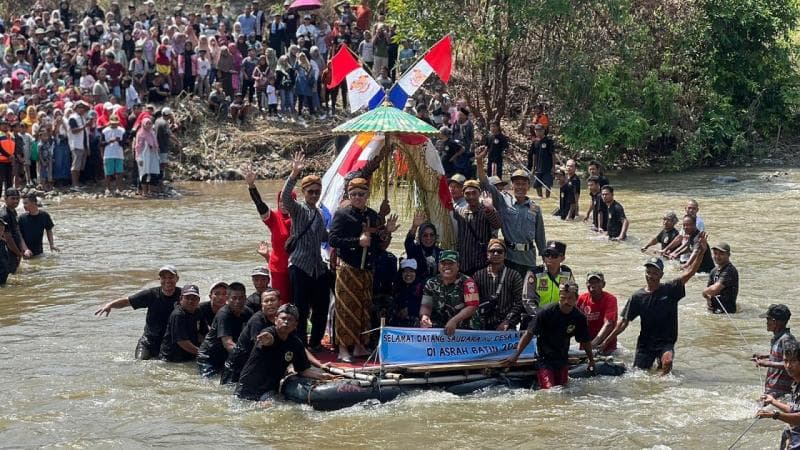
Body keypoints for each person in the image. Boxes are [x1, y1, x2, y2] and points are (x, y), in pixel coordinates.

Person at [599, 244, 707, 375]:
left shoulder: (670, 289)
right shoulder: (637, 297)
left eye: (655, 273)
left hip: (666, 342)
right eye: (648, 272)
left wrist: (701, 252)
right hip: (645, 344)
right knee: (638, 374)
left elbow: (690, 272)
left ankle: (663, 387)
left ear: (661, 275)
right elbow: (623, 323)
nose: (650, 276)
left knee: (667, 363)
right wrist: (606, 342)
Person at [502, 281, 594, 389]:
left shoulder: (579, 317)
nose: (566, 301)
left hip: (562, 359)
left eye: (570, 298)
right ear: (559, 296)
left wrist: (591, 360)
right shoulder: (545, 313)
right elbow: (529, 334)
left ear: (576, 298)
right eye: (563, 298)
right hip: (544, 359)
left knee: (563, 389)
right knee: (550, 391)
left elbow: (585, 340)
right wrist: (516, 355)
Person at [328, 177, 381, 362]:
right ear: (349, 196)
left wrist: (385, 232)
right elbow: (332, 240)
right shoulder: (342, 214)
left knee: (363, 309)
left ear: (367, 195)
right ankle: (343, 348)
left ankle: (360, 345)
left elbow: (377, 241)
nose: (357, 197)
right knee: (345, 310)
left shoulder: (372, 215)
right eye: (354, 194)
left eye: (361, 194)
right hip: (348, 268)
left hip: (366, 269)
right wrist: (357, 242)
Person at [235, 304, 334, 402]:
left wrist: (322, 376)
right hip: (248, 388)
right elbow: (269, 338)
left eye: (290, 320)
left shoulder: (296, 344)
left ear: (296, 324)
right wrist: (267, 339)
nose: (286, 322)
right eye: (283, 318)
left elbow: (303, 371)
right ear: (276, 320)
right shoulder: (269, 332)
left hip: (269, 390)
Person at [281, 151, 330, 349]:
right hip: (300, 266)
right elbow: (285, 198)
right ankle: (300, 343)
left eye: (317, 192)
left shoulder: (319, 213)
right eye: (310, 192)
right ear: (304, 193)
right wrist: (294, 174)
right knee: (300, 309)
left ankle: (316, 342)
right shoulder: (299, 210)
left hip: (318, 267)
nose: (314, 195)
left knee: (321, 307)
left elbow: (325, 238)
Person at [477, 147, 546, 278]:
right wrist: (479, 161)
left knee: (527, 294)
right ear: (511, 185)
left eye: (523, 184)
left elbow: (540, 236)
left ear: (528, 186)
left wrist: (544, 257)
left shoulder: (535, 208)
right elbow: (485, 183)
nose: (520, 187)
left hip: (529, 258)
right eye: (517, 184)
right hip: (509, 257)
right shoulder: (503, 201)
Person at [95, 265, 182, 360]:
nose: (167, 281)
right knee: (140, 365)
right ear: (159, 279)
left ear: (177, 279)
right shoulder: (151, 294)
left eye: (170, 277)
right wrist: (110, 305)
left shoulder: (183, 296)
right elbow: (127, 301)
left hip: (170, 343)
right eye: (164, 278)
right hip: (148, 342)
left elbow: (194, 313)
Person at [244, 166, 292, 303]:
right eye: (281, 200)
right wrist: (252, 186)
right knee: (281, 301)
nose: (284, 204)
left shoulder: (300, 218)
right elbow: (260, 204)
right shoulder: (274, 218)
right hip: (278, 269)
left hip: (297, 266)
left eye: (288, 200)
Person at [222, 288, 281, 385]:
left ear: (279, 302)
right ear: (261, 304)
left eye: (272, 300)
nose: (270, 303)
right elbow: (260, 349)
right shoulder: (257, 321)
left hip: (252, 366)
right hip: (236, 368)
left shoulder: (282, 320)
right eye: (266, 301)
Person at [197, 281, 253, 377]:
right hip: (208, 358)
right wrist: (247, 357)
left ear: (245, 298)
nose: (237, 302)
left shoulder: (248, 312)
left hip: (226, 356)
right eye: (234, 298)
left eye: (241, 298)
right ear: (227, 299)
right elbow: (228, 343)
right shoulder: (223, 314)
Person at [419, 250, 480, 335]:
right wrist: (425, 316)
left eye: (451, 264)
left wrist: (454, 321)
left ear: (458, 266)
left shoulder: (468, 282)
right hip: (441, 325)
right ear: (439, 266)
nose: (447, 267)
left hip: (464, 328)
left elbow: (472, 306)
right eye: (443, 264)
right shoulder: (431, 283)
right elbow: (426, 304)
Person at [472, 239, 524, 330]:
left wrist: (507, 321)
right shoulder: (478, 275)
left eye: (499, 251)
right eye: (492, 251)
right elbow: (472, 302)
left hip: (506, 324)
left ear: (505, 255)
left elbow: (520, 302)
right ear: (487, 254)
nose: (496, 254)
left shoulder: (514, 275)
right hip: (482, 323)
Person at [452, 180, 501, 276]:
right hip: (464, 264)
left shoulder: (486, 209)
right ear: (463, 194)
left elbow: (497, 225)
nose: (471, 197)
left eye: (474, 193)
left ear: (479, 193)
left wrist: (490, 209)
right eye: (467, 193)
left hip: (482, 264)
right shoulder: (460, 211)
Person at [522, 240, 574, 327]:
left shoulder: (567, 273)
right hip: (537, 317)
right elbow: (527, 300)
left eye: (554, 255)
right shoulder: (534, 273)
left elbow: (572, 297)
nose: (550, 257)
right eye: (547, 254)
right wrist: (542, 317)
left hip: (559, 318)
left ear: (562, 258)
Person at [758, 342, 800, 448]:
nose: (788, 365)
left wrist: (774, 415)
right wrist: (773, 401)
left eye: (793, 361)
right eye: (786, 361)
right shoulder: (796, 383)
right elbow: (794, 410)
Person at [753, 304, 796, 398]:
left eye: (767, 319)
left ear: (774, 322)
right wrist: (765, 356)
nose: (766, 322)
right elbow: (783, 356)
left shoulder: (787, 340)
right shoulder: (778, 338)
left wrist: (767, 363)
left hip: (781, 394)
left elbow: (792, 364)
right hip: (772, 391)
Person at [577, 271, 618, 355]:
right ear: (586, 284)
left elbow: (608, 324)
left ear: (603, 284)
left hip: (606, 347)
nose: (593, 286)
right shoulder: (581, 299)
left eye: (597, 282)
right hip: (585, 345)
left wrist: (594, 343)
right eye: (590, 282)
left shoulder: (610, 299)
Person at [159, 284, 203, 362]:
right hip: (171, 359)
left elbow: (203, 334)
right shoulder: (178, 315)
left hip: (189, 355)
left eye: (194, 298)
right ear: (181, 299)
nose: (191, 301)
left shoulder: (198, 312)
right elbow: (182, 342)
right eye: (187, 298)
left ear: (198, 300)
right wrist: (203, 353)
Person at [404, 210, 443, 282]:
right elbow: (408, 242)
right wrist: (414, 226)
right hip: (417, 289)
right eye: (425, 235)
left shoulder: (441, 253)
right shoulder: (414, 250)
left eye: (431, 235)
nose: (428, 238)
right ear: (420, 237)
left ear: (435, 237)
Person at [702, 242, 739, 314]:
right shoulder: (714, 271)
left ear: (728, 255)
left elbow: (714, 289)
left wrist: (703, 292)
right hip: (714, 310)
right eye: (715, 253)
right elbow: (709, 292)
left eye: (721, 254)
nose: (717, 256)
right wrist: (707, 298)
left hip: (726, 313)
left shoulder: (730, 270)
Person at [0, 189, 31, 273]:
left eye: (17, 198)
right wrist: (18, 253)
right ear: (5, 198)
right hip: (7, 251)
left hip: (15, 250)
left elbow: (17, 232)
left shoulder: (13, 211)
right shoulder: (4, 215)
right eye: (13, 198)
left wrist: (24, 248)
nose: (16, 201)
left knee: (14, 273)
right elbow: (8, 239)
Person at [392, 258, 424, 326]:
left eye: (411, 271)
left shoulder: (423, 289)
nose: (408, 274)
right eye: (405, 271)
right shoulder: (395, 288)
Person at [527, 123, 555, 198]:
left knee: (547, 185)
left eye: (540, 130)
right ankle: (541, 198)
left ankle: (548, 198)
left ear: (543, 131)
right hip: (538, 168)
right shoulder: (535, 142)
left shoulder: (549, 141)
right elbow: (534, 155)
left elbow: (553, 154)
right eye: (536, 130)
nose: (538, 132)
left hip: (547, 168)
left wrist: (553, 167)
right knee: (536, 185)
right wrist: (533, 168)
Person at [101, 114, 126, 192]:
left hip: (119, 154)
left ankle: (119, 188)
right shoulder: (105, 131)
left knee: (119, 172)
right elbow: (101, 143)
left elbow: (125, 143)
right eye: (112, 123)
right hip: (108, 154)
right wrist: (109, 141)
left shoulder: (122, 131)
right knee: (108, 173)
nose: (114, 124)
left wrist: (120, 142)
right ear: (109, 122)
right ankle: (108, 188)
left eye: (115, 123)